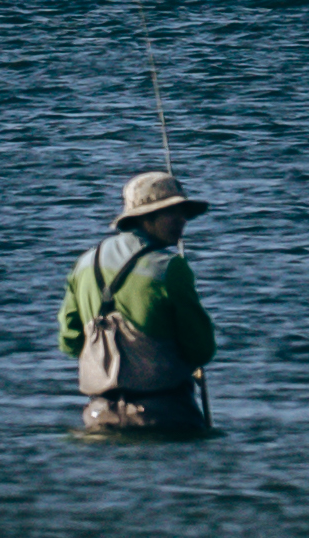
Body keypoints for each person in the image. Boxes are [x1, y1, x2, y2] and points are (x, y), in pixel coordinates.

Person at [59, 170, 218, 435]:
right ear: (145, 217)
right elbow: (201, 349)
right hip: (166, 415)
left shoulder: (84, 263)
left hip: (100, 416)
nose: (182, 221)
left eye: (184, 213)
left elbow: (70, 340)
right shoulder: (170, 268)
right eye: (172, 212)